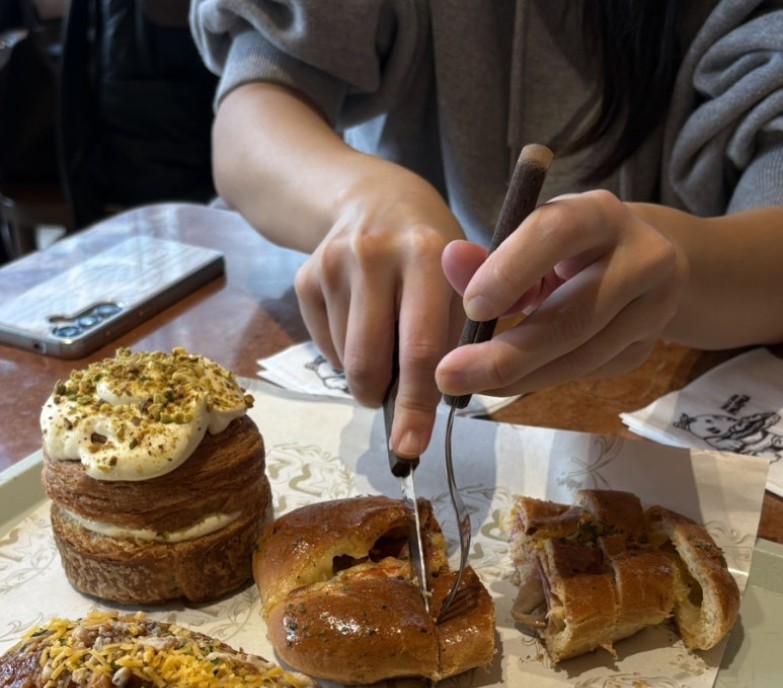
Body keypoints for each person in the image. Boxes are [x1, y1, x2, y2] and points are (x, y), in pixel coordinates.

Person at [190, 0, 783, 460]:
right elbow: (254, 107)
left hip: (686, 372)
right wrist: (362, 198)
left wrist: (679, 260)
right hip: (381, 308)